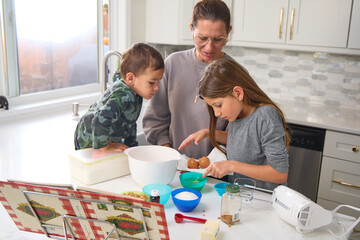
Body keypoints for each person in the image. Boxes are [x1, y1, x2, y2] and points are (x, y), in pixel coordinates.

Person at [143, 0, 240, 159]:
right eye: (202, 38)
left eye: (217, 39)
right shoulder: (172, 64)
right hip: (173, 164)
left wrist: (213, 162)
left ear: (228, 32)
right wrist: (171, 156)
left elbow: (240, 133)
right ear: (191, 29)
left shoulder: (236, 74)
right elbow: (155, 119)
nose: (209, 47)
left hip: (216, 170)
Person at [179, 58, 290, 190]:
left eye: (218, 105)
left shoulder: (265, 116)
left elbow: (280, 173)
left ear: (238, 93)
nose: (216, 113)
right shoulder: (238, 114)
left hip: (264, 199)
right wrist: (209, 133)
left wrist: (231, 166)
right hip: (241, 194)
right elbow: (244, 141)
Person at [74, 43, 164, 153]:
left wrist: (132, 147)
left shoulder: (136, 94)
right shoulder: (122, 95)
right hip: (88, 137)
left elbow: (130, 122)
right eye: (152, 82)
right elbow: (99, 119)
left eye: (158, 82)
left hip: (102, 135)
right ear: (131, 78)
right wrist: (104, 146)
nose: (157, 87)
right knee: (95, 163)